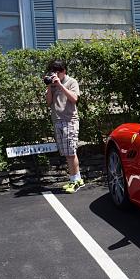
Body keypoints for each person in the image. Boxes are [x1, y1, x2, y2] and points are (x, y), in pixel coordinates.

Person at [44, 60, 84, 193]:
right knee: (67, 153)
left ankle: (75, 181)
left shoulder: (71, 82)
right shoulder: (53, 84)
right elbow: (49, 102)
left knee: (71, 152)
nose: (54, 74)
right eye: (52, 72)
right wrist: (50, 86)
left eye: (57, 72)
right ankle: (76, 179)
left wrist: (60, 85)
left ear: (63, 71)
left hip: (69, 120)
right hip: (57, 120)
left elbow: (74, 99)